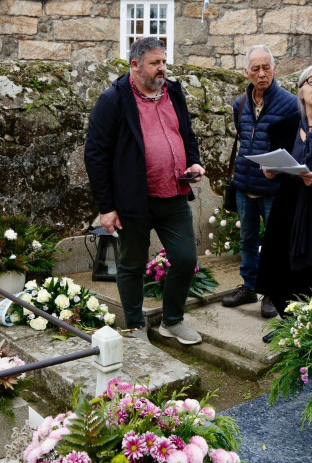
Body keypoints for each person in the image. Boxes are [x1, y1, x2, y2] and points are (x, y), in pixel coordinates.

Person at [84, 37, 205, 345]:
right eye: (155, 63)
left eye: (163, 62)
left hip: (175, 193)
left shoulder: (173, 93)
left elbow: (187, 135)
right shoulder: (113, 100)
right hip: (134, 201)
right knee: (131, 265)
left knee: (185, 258)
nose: (162, 68)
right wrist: (106, 207)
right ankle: (137, 325)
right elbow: (96, 154)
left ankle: (172, 321)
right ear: (135, 65)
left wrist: (194, 162)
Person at [255, 64, 312, 342]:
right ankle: (288, 323)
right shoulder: (283, 126)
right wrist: (270, 171)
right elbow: (277, 166)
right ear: (300, 90)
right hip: (288, 205)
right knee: (279, 263)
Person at [222, 44, 298, 318]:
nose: (262, 73)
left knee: (276, 242)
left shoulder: (290, 104)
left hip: (274, 188)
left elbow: (294, 147)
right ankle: (249, 287)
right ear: (247, 72)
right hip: (245, 183)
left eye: (266, 67)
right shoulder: (239, 104)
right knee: (247, 239)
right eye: (256, 68)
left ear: (274, 69)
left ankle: (271, 293)